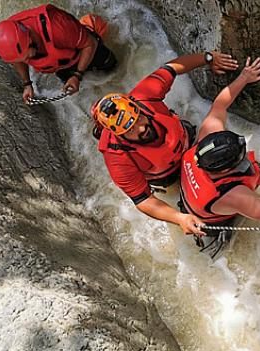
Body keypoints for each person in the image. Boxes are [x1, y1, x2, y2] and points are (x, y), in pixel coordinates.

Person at [90, 51, 239, 236]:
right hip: (168, 174)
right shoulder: (117, 157)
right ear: (119, 135)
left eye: (138, 119)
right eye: (130, 131)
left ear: (137, 108)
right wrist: (179, 218)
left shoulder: (144, 96)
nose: (141, 129)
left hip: (187, 140)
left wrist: (209, 58)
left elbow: (171, 68)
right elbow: (143, 200)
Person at [178, 57, 260, 256]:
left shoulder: (204, 143)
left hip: (193, 198)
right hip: (211, 220)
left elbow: (219, 106)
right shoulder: (231, 194)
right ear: (225, 170)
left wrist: (244, 77)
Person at [0, 4, 117, 103]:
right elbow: (17, 60)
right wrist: (27, 84)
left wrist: (77, 75)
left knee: (113, 68)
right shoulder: (13, 37)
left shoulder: (58, 28)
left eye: (26, 56)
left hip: (85, 49)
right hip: (62, 64)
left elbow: (90, 44)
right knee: (79, 90)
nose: (27, 60)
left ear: (30, 40)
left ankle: (90, 26)